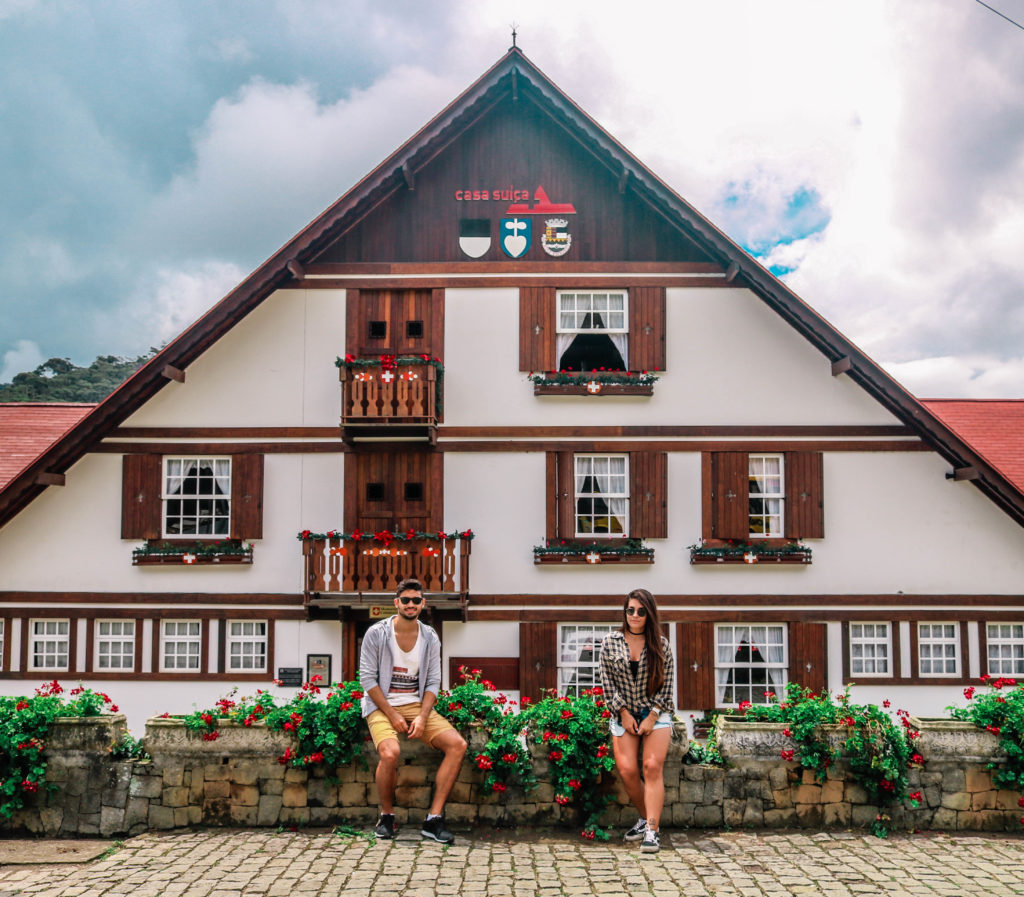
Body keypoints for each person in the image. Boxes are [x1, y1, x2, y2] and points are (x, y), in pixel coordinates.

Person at [359, 578, 467, 843]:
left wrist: (422, 716)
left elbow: (432, 682)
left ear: (423, 604)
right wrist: (393, 715)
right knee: (390, 752)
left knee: (458, 745)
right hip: (381, 705)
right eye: (405, 600)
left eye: (416, 600)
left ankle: (434, 819)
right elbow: (367, 680)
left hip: (416, 705)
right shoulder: (377, 633)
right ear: (396, 603)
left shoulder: (430, 637)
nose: (410, 604)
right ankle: (386, 816)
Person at [599, 588, 675, 854]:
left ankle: (652, 831)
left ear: (649, 614)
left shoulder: (661, 645)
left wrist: (652, 717)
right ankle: (645, 818)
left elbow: (667, 687)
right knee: (628, 771)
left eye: (641, 611)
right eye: (630, 610)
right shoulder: (610, 642)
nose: (635, 615)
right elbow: (606, 683)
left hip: (656, 711)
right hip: (624, 712)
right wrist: (624, 713)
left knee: (651, 766)